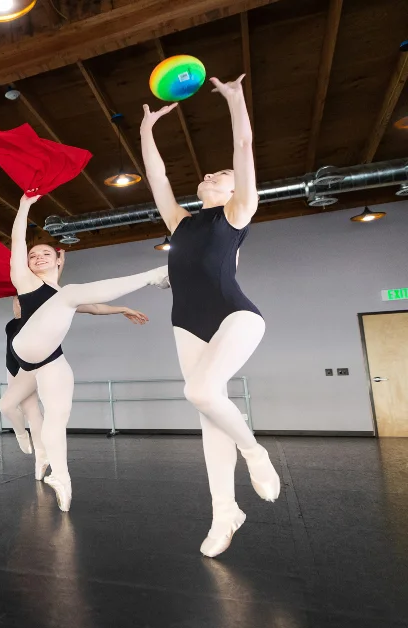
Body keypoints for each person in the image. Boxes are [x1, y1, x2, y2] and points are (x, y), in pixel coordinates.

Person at [140, 74, 280, 558]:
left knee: (200, 392)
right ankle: (226, 513)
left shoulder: (238, 212)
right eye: (208, 174)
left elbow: (243, 145)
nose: (212, 175)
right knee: (208, 416)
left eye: (221, 175)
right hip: (186, 323)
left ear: (236, 188)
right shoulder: (181, 222)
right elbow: (157, 178)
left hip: (236, 315)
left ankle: (255, 451)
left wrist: (237, 100)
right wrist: (146, 130)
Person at [7, 193, 169, 512]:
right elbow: (16, 242)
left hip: (50, 358)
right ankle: (154, 275)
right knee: (69, 295)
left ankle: (62, 479)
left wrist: (122, 308)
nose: (37, 257)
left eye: (45, 253)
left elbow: (93, 306)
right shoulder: (25, 282)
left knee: (58, 415)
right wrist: (24, 206)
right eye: (32, 254)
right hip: (24, 345)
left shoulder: (65, 294)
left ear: (59, 259)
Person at [0, 294, 148, 481]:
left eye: (21, 300)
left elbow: (93, 307)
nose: (17, 304)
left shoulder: (44, 312)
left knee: (6, 405)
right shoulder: (13, 321)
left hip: (32, 367)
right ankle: (41, 458)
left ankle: (21, 435)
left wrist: (123, 309)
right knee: (30, 412)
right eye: (14, 300)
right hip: (12, 368)